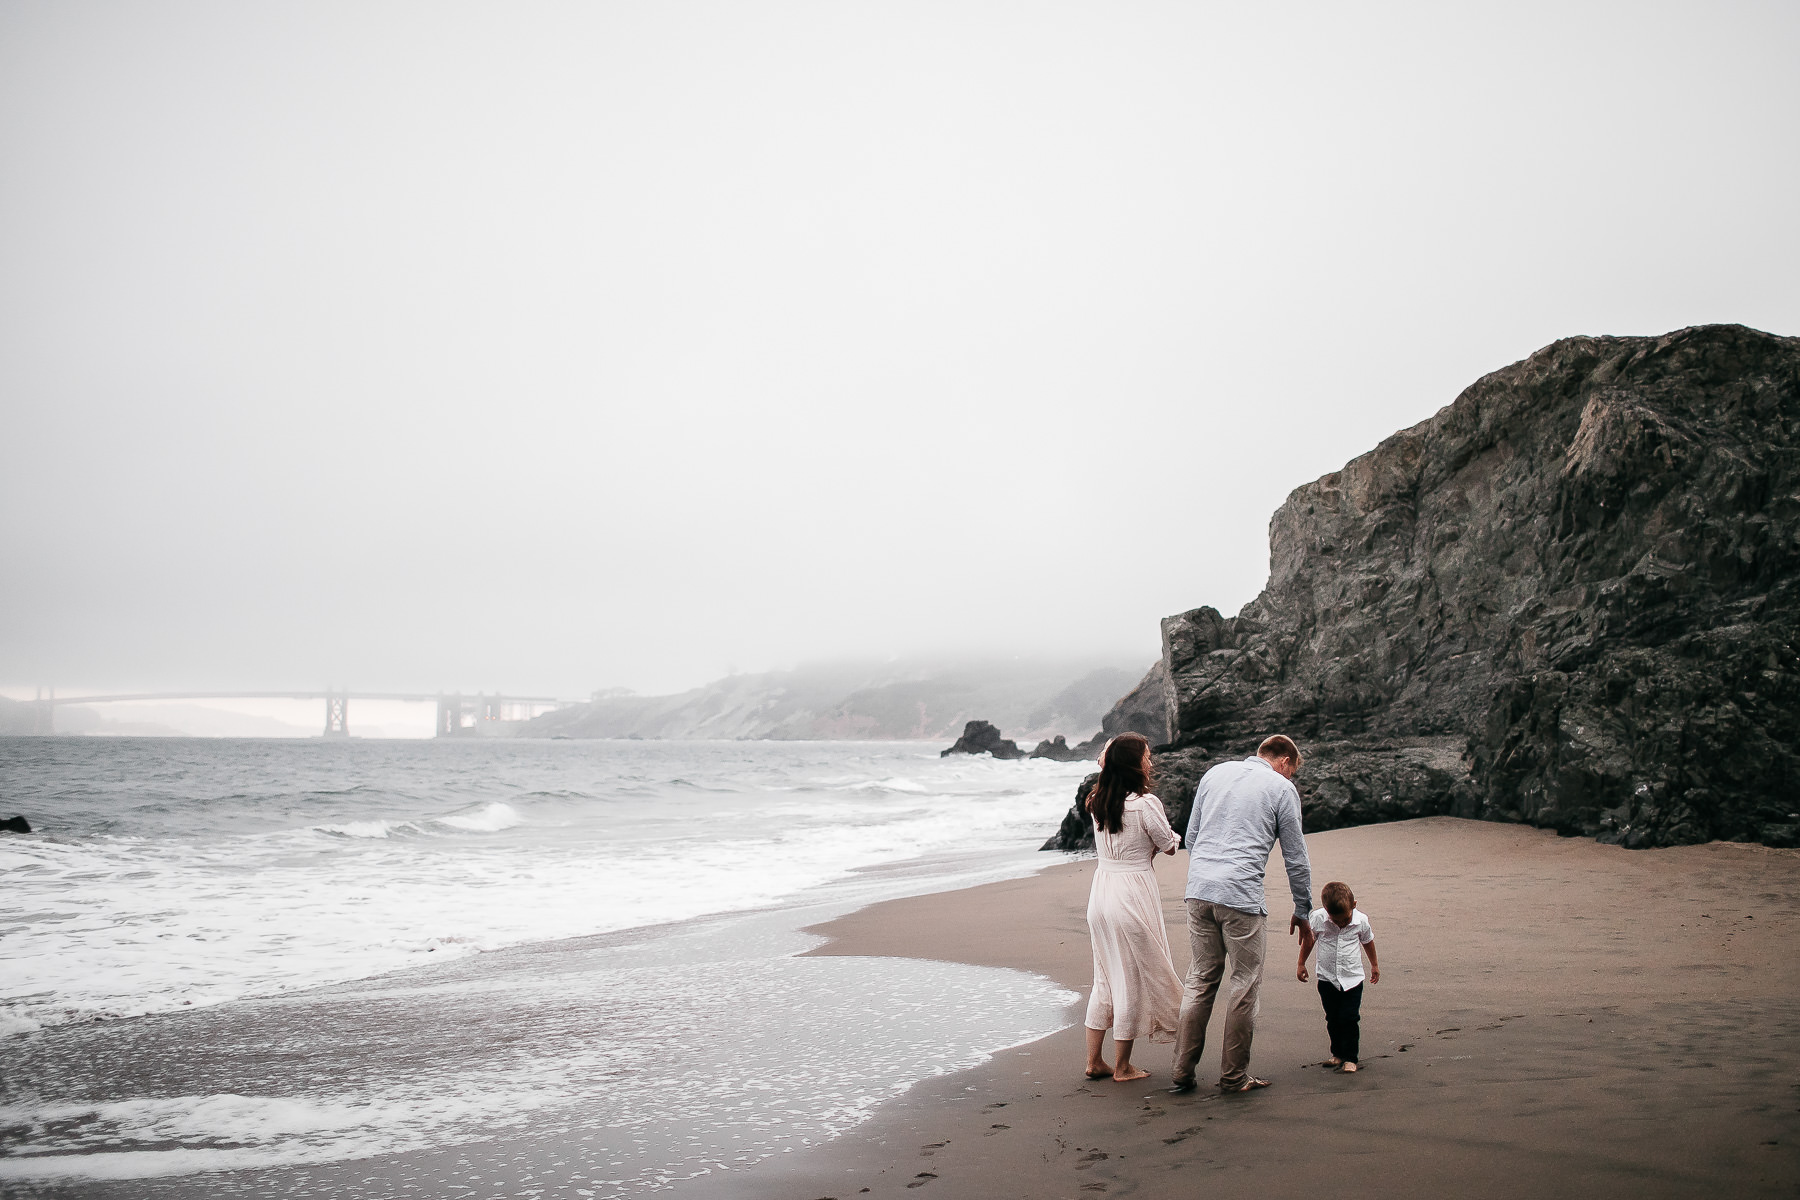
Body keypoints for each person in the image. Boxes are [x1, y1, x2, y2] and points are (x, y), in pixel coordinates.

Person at [1169, 733, 1314, 1095]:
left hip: (1199, 890)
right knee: (1245, 982)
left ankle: (1181, 1071)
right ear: (1284, 762)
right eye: (1292, 771)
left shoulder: (1214, 774)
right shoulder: (1281, 789)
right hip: (1241, 895)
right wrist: (1303, 908)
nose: (1290, 778)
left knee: (1200, 978)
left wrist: (1206, 873)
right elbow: (1296, 857)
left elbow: (1192, 835)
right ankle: (1233, 1077)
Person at [1082, 732, 1183, 1083]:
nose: (1150, 762)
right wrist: (1174, 840)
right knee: (1133, 978)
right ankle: (1122, 1067)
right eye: (1146, 757)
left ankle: (1095, 1060)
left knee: (1106, 977)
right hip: (1132, 894)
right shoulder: (1144, 804)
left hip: (1101, 892)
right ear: (1132, 763)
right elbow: (1168, 845)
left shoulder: (1097, 799)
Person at [1297, 880, 1379, 1072]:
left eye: (1345, 919)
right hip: (1327, 978)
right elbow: (1309, 941)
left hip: (1352, 979)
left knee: (1349, 1018)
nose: (1342, 923)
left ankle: (1351, 1058)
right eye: (1336, 920)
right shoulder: (1318, 918)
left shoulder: (1361, 921)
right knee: (1332, 1018)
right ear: (1326, 910)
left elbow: (1368, 941)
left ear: (1354, 905)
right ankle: (1337, 1054)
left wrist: (1374, 964)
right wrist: (1301, 963)